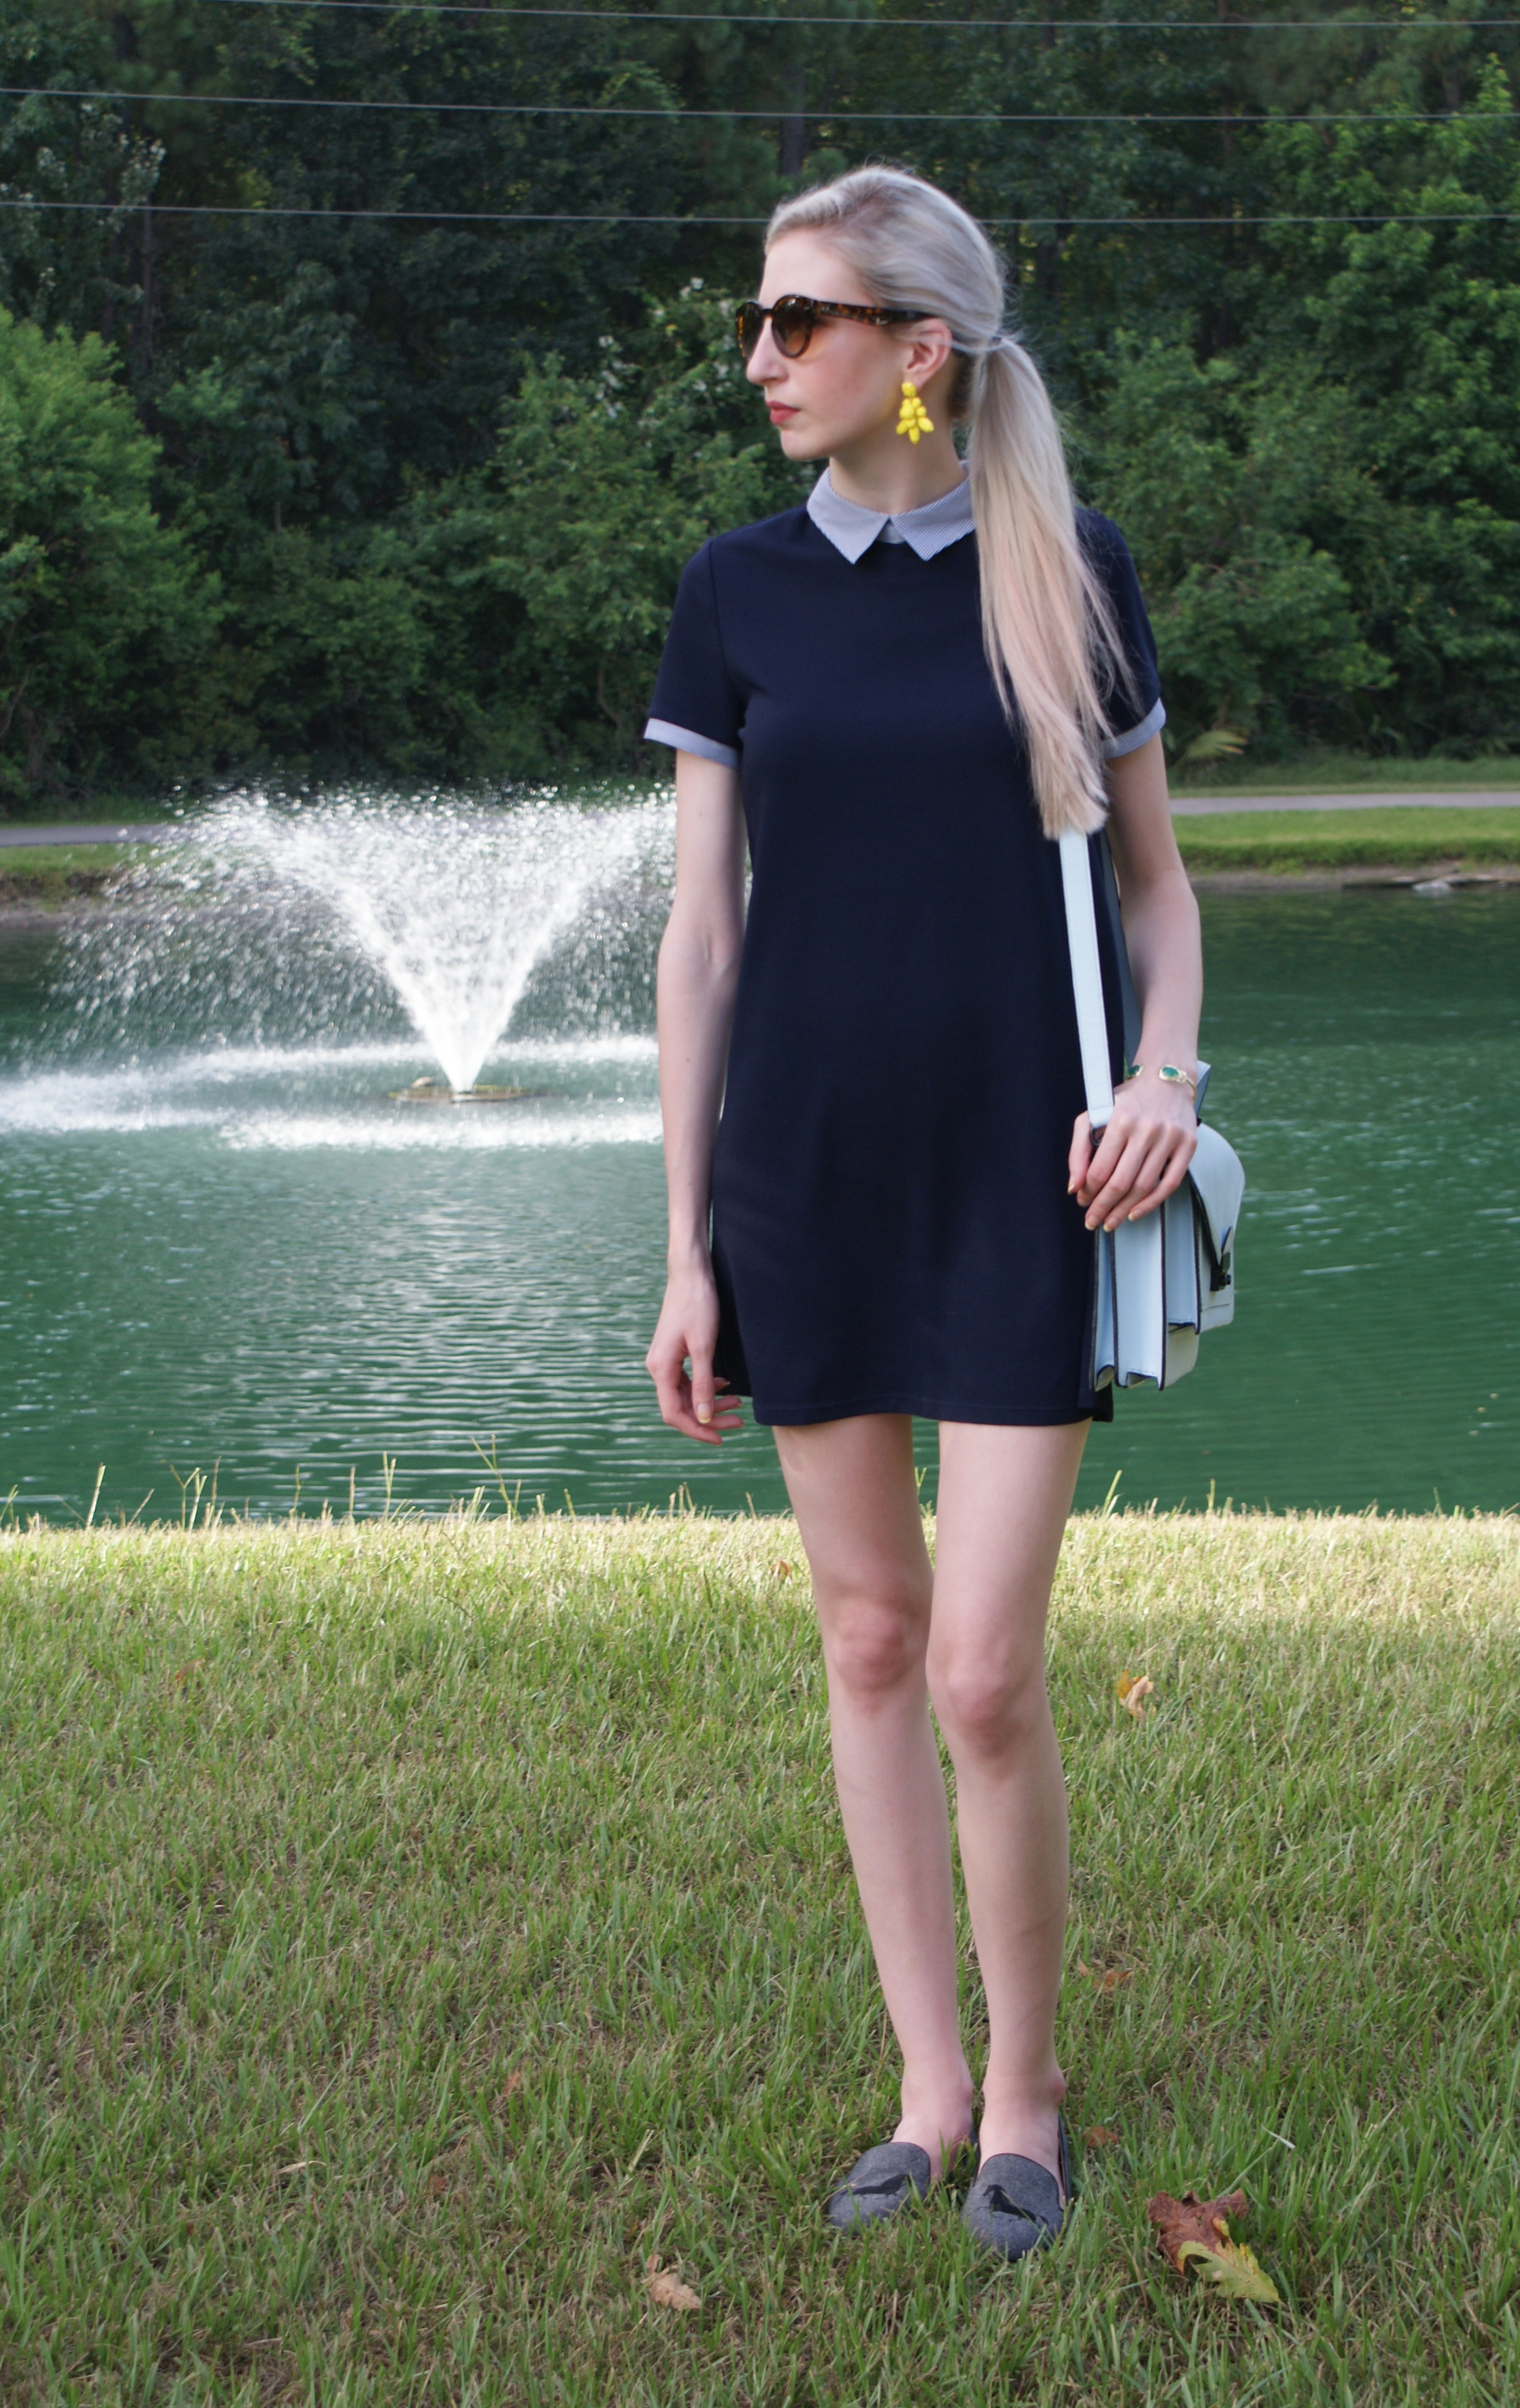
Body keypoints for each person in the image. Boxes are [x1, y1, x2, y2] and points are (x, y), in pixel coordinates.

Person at [643, 166, 1201, 2260]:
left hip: (1020, 1176)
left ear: (917, 356)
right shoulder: (734, 587)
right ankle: (926, 2088)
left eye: (801, 323)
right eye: (759, 320)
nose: (762, 359)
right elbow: (700, 942)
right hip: (799, 1175)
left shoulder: (1071, 573)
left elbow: (1155, 890)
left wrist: (1162, 1078)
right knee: (867, 1636)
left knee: (980, 1665)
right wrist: (686, 1237)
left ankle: (1033, 2097)